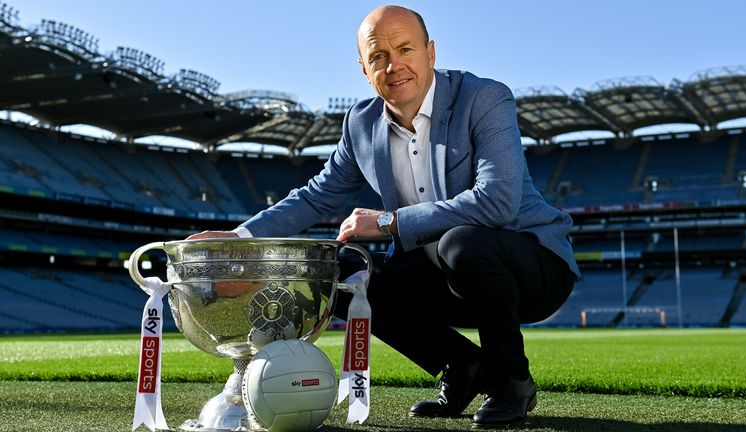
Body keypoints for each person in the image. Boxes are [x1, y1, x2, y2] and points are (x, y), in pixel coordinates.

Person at [190, 5, 580, 429]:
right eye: (378, 56)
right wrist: (239, 239)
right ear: (364, 68)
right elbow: (318, 197)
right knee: (338, 273)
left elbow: (498, 202)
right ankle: (464, 366)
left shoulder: (483, 98)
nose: (393, 65)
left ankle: (511, 383)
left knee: (463, 243)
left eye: (405, 49)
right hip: (443, 277)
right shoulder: (361, 123)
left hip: (531, 269)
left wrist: (390, 222)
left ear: (431, 52)